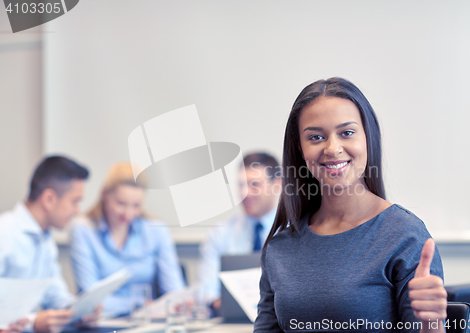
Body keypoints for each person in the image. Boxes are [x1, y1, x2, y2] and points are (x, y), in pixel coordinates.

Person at [253, 78, 447, 333]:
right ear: (300, 149)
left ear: (368, 138)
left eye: (347, 132)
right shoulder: (280, 247)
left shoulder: (405, 236)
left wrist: (431, 324)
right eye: (316, 137)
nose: (332, 148)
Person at [69, 162, 185, 316]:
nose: (128, 214)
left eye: (136, 206)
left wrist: (179, 304)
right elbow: (90, 299)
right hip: (102, 322)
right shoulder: (83, 230)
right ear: (104, 194)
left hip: (147, 321)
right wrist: (139, 304)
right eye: (121, 204)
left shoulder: (157, 231)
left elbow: (175, 291)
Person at [0, 155, 100, 333]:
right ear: (49, 199)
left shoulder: (45, 239)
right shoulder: (5, 234)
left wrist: (78, 312)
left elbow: (55, 295)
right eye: (75, 201)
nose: (77, 211)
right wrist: (33, 323)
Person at [197, 152, 282, 312]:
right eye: (241, 185)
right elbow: (207, 291)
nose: (245, 193)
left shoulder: (295, 231)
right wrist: (228, 305)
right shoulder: (220, 233)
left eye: (254, 185)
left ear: (277, 184)